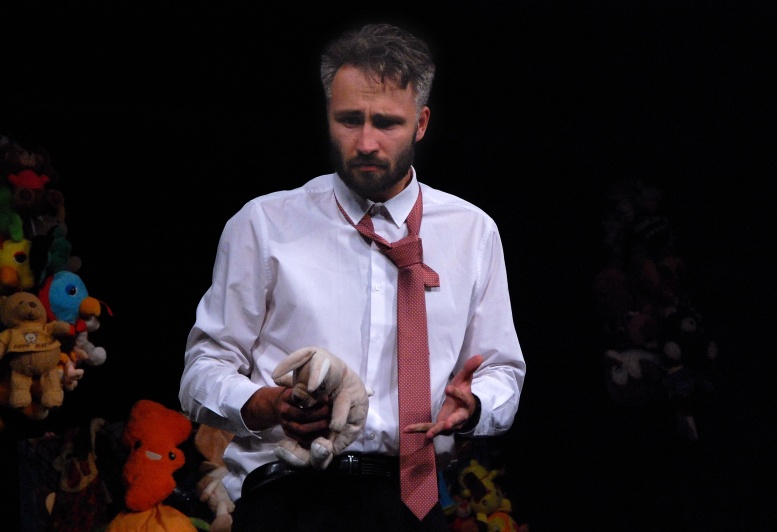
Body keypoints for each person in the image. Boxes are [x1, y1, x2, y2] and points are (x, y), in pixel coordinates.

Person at [179, 22, 526, 531]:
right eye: (349, 120)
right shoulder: (264, 224)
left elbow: (502, 372)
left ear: (421, 123)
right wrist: (266, 404)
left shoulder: (472, 232)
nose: (365, 142)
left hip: (413, 502)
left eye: (386, 123)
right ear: (328, 116)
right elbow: (201, 372)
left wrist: (474, 407)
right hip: (288, 498)